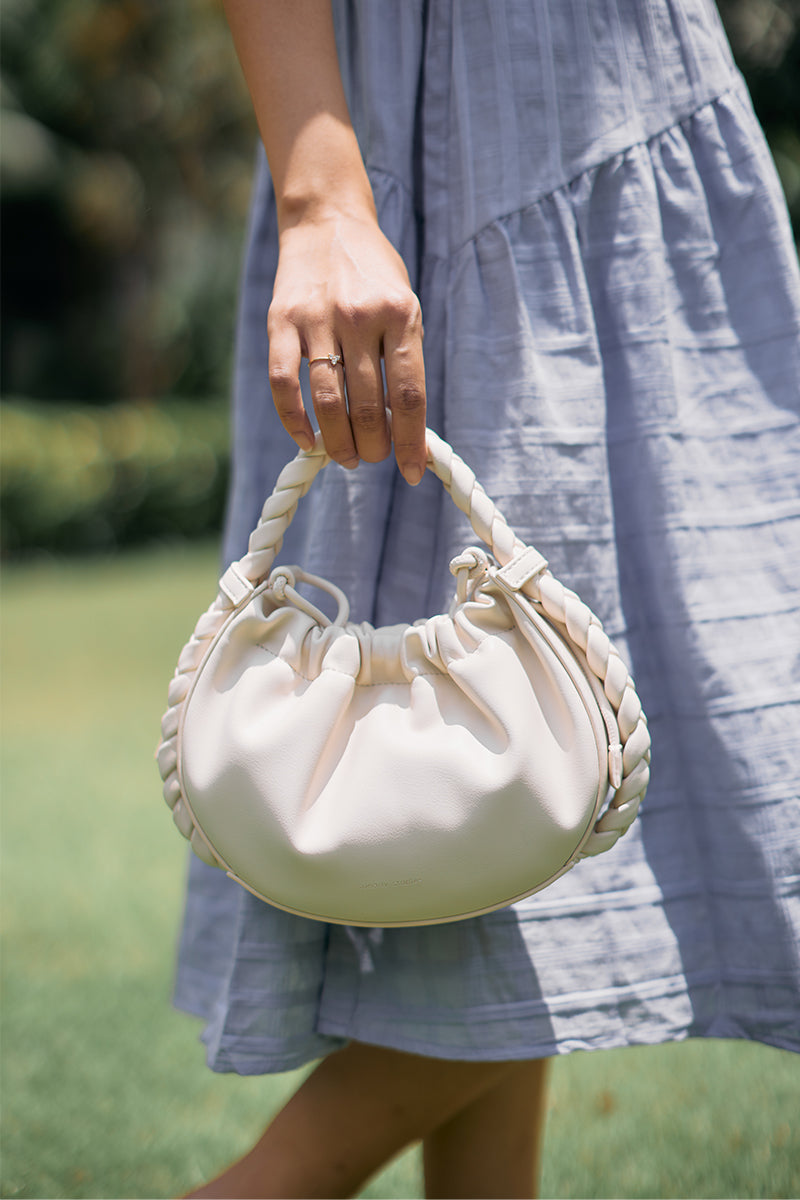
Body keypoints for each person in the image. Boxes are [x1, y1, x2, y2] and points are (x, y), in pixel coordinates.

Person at [174, 2, 800, 1197]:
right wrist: (322, 199)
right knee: (565, 738)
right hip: (442, 147)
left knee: (500, 786)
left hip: (623, 108)